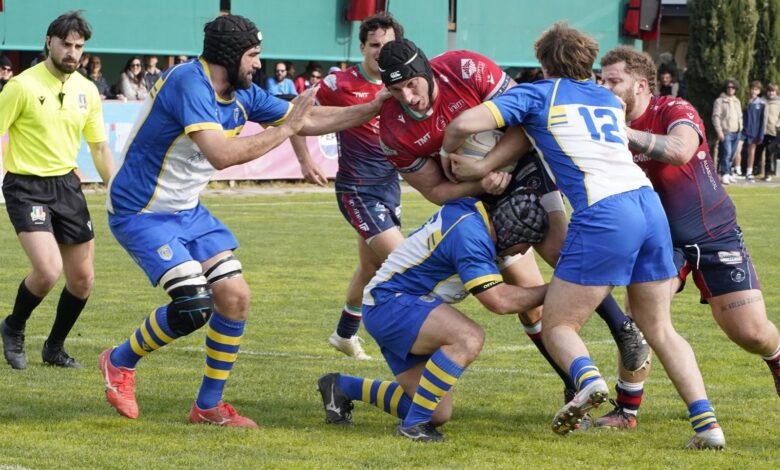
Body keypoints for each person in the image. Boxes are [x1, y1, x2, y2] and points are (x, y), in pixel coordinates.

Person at [442, 22, 725, 449]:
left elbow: (466, 122)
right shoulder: (606, 98)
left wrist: (450, 152)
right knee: (660, 328)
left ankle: (588, 382)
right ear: (587, 64)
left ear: (542, 63)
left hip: (606, 211)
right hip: (648, 206)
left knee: (558, 324)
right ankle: (708, 427)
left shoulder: (537, 93)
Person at [99, 14, 390, 428]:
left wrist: (373, 107)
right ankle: (118, 361)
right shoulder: (189, 83)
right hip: (141, 211)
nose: (258, 63)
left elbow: (307, 119)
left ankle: (208, 407)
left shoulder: (242, 92)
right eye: (253, 55)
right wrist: (287, 127)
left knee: (235, 298)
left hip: (186, 209)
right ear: (229, 56)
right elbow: (221, 154)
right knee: (194, 305)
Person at [376, 38, 649, 413]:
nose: (408, 96)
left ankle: (622, 329)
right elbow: (438, 190)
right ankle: (573, 382)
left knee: (564, 254)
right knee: (528, 301)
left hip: (523, 167)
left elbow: (527, 119)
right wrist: (480, 182)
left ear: (426, 70)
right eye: (395, 90)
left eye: (412, 84)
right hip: (479, 200)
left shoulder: (464, 67)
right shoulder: (393, 128)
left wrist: (489, 164)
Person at [593, 46, 780, 430]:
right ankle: (626, 410)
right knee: (641, 320)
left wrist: (623, 133)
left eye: (613, 81)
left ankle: (777, 359)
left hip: (715, 233)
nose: (604, 87)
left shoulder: (673, 109)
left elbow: (679, 151)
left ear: (640, 85)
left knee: (751, 333)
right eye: (601, 80)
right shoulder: (605, 127)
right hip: (662, 239)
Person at [317, 190, 549, 441]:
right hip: (392, 303)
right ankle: (413, 427)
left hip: (392, 303)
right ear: (510, 233)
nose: (518, 253)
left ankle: (341, 386)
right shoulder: (471, 235)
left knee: (437, 412)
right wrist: (555, 289)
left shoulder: (471, 213)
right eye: (522, 247)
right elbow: (499, 301)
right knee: (468, 337)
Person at [0, 11, 115, 370]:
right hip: (25, 186)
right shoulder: (21, 86)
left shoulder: (87, 90)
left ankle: (54, 348)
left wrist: (117, 187)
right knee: (48, 270)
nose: (73, 52)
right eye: (66, 43)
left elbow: (99, 148)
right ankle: (13, 326)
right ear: (49, 41)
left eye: (79, 46)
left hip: (67, 185)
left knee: (82, 280)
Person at [292, 13, 404, 360]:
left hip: (390, 189)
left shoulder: (403, 82)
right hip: (357, 190)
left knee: (369, 269)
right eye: (374, 45)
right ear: (362, 47)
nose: (380, 52)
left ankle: (344, 334)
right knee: (405, 262)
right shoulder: (338, 84)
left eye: (387, 46)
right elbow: (296, 114)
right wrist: (305, 161)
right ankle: (411, 343)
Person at [712, 79, 743, 184]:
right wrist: (719, 131)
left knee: (732, 154)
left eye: (733, 87)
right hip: (726, 132)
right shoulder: (719, 101)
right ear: (725, 88)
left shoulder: (737, 101)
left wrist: (741, 128)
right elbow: (716, 116)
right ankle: (724, 173)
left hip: (737, 132)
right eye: (728, 87)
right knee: (726, 153)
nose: (730, 89)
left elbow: (740, 116)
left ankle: (729, 173)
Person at [744, 80, 766, 180]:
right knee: (737, 149)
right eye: (752, 89)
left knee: (751, 151)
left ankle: (749, 171)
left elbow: (762, 120)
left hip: (754, 131)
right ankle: (736, 169)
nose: (753, 91)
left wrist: (760, 134)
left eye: (756, 89)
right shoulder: (745, 101)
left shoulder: (761, 103)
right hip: (743, 130)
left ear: (759, 91)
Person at [762, 83, 780, 181]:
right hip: (763, 132)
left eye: (773, 91)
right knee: (762, 153)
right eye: (769, 91)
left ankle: (770, 173)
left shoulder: (779, 102)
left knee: (772, 153)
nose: (771, 93)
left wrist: (777, 125)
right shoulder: (762, 101)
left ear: (775, 92)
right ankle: (764, 173)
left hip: (774, 132)